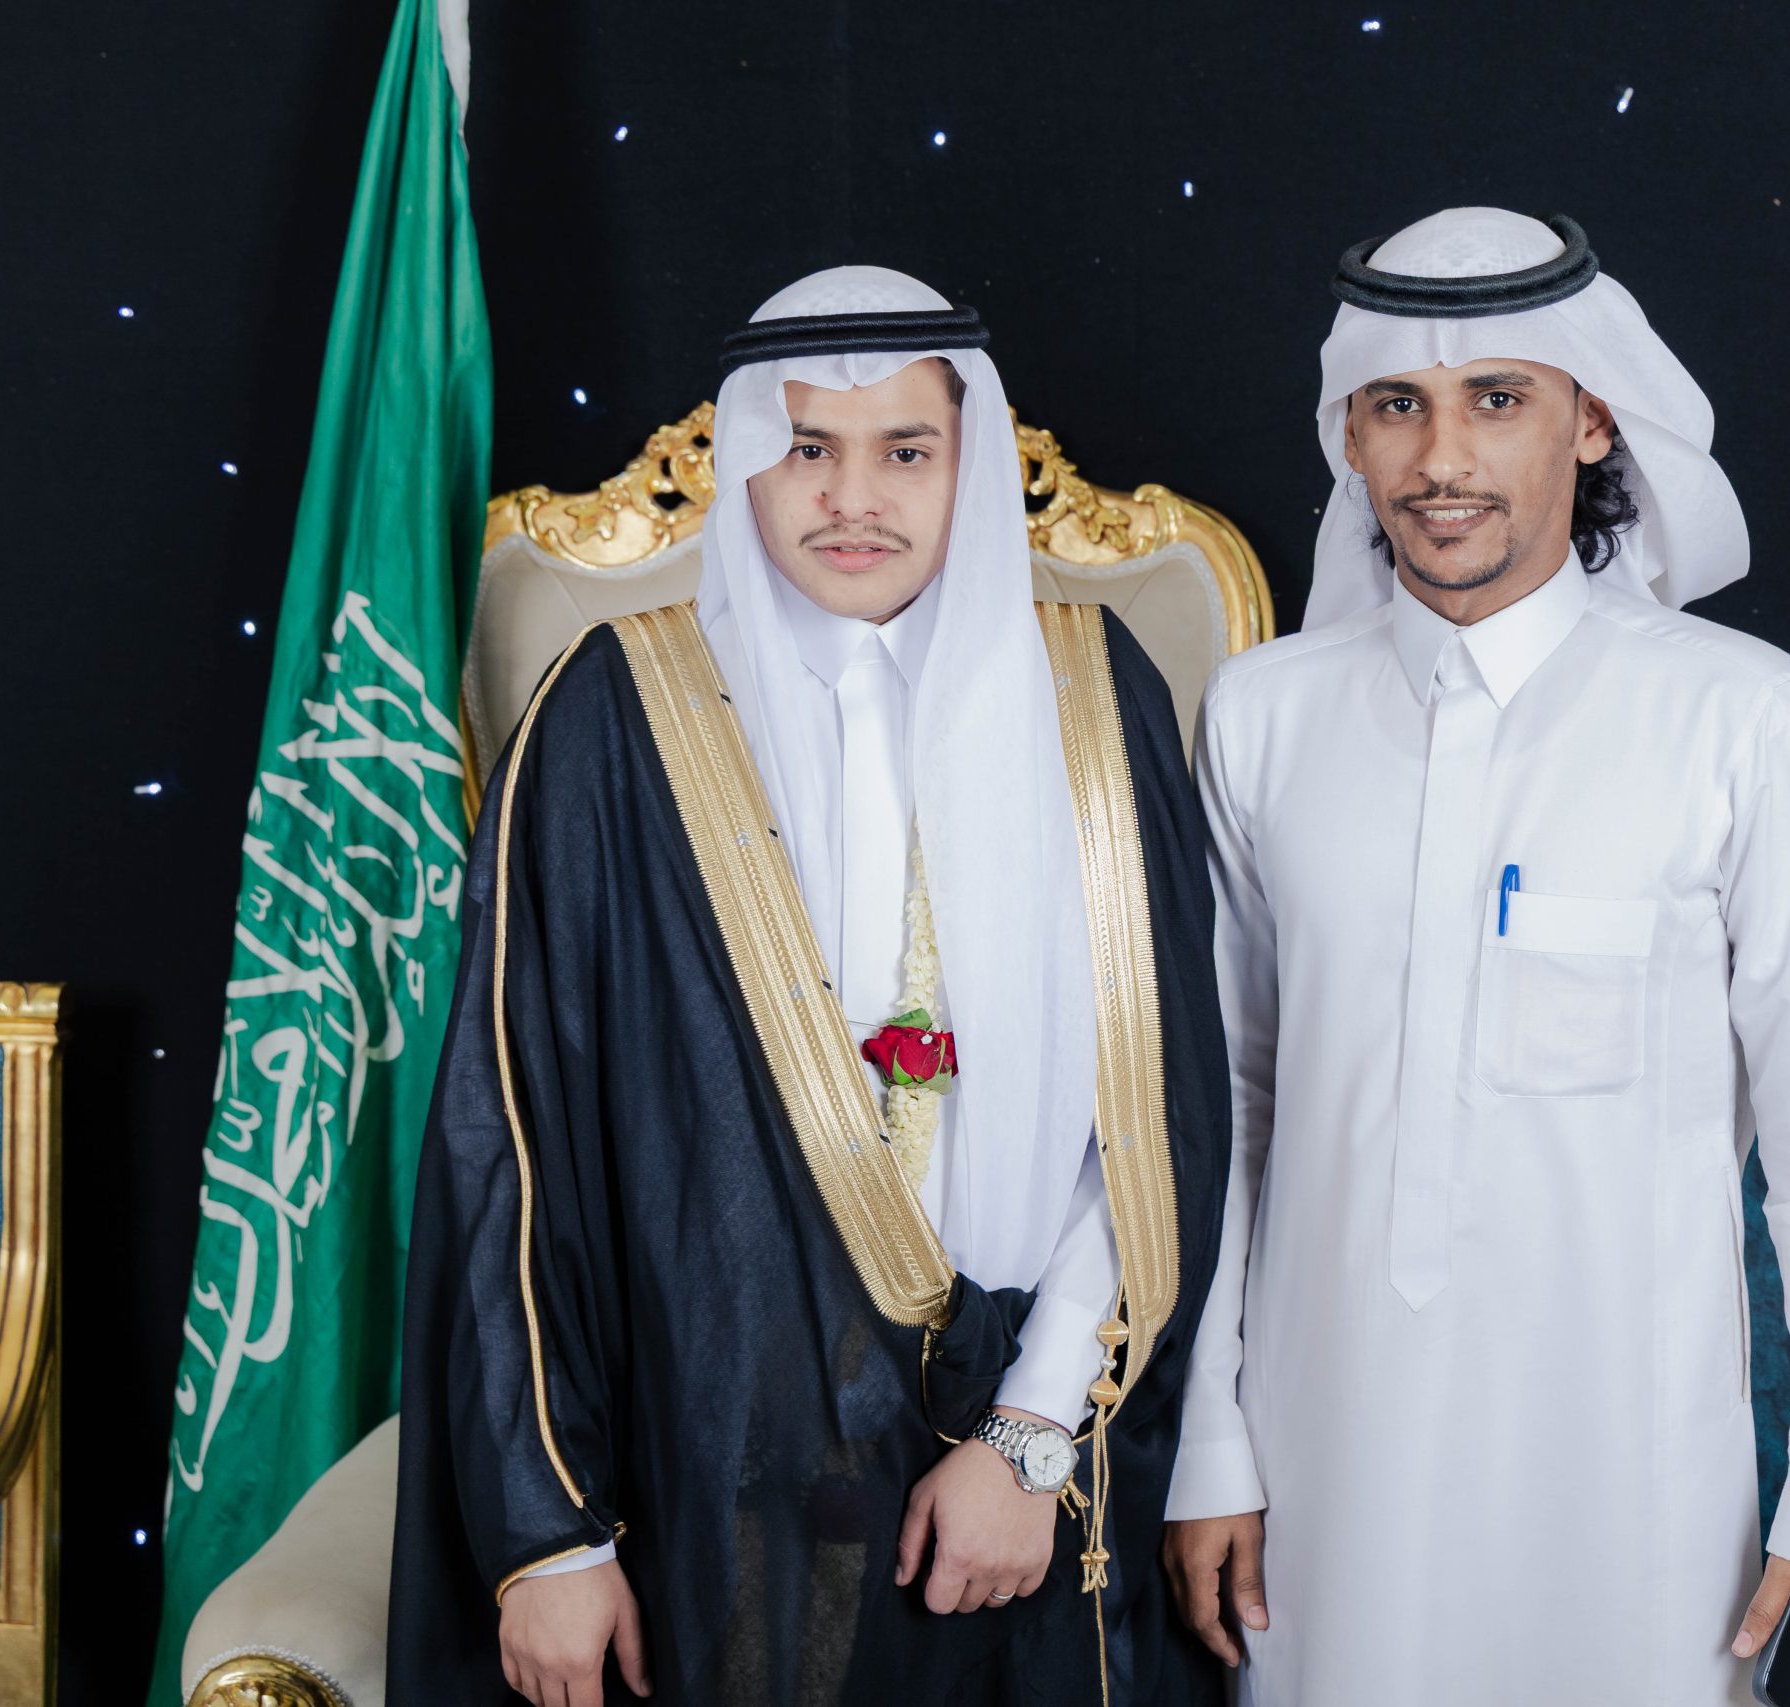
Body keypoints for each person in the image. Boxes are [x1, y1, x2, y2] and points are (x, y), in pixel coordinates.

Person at [387, 265, 1230, 1706]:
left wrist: (1034, 1434)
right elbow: (507, 1143)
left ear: (970, 462)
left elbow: (1161, 1119)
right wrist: (548, 1534)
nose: (853, 500)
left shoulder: (1097, 699)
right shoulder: (612, 713)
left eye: (905, 451)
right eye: (805, 450)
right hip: (709, 1473)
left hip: (1034, 1467)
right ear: (743, 464)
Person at [1159, 207, 1790, 1705]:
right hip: (1320, 1478)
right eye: (1398, 405)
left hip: (1633, 1485)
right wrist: (1210, 1445)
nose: (1441, 458)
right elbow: (1228, 1113)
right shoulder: (1261, 717)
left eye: (1497, 400)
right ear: (1351, 438)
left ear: (1591, 421)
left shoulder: (1744, 720)